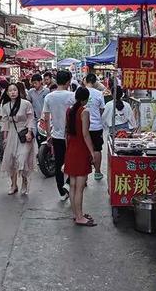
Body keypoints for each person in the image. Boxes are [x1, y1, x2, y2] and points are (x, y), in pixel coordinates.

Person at [64, 88, 96, 226]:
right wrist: (92, 152)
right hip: (81, 150)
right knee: (80, 187)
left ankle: (76, 214)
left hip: (71, 148)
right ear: (86, 99)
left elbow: (67, 132)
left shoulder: (69, 110)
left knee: (72, 185)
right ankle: (80, 217)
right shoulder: (84, 111)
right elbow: (85, 134)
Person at [42, 70, 75, 200]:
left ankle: (61, 191)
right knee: (71, 162)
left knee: (58, 163)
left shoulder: (49, 97)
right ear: (68, 81)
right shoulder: (72, 96)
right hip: (71, 136)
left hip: (56, 135)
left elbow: (46, 117)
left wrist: (49, 135)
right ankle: (68, 184)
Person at [0, 83, 37, 195]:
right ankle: (13, 184)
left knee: (23, 158)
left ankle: (25, 181)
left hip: (24, 134)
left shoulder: (26, 104)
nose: (12, 92)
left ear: (18, 91)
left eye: (14, 90)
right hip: (12, 134)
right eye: (10, 90)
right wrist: (5, 138)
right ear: (7, 93)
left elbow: (31, 118)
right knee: (11, 161)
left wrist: (30, 132)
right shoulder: (5, 106)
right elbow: (5, 123)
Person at [84, 73, 105, 181]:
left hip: (84, 127)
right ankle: (97, 172)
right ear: (95, 82)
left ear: (85, 81)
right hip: (96, 126)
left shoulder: (80, 92)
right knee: (97, 149)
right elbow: (102, 109)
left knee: (85, 150)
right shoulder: (98, 93)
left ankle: (85, 176)